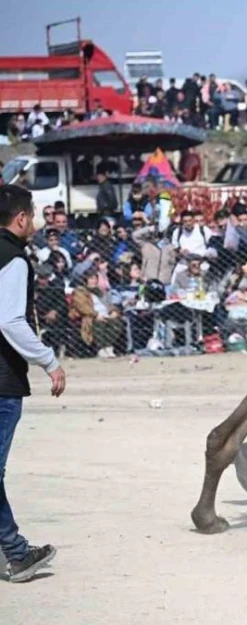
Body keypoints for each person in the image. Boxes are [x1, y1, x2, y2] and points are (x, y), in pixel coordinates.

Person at [0, 185, 66, 583]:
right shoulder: (14, 259)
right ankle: (17, 553)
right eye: (34, 216)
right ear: (21, 218)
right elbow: (9, 321)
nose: (37, 223)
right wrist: (49, 361)